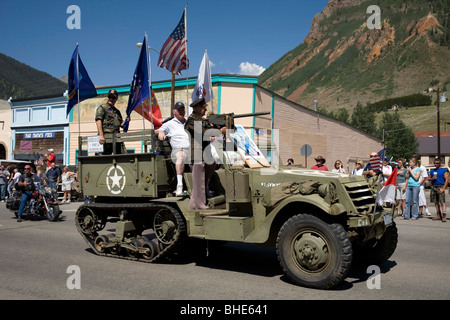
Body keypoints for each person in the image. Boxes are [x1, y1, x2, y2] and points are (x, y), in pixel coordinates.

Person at [185, 97, 226, 210]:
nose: (204, 110)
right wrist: (219, 132)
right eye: (203, 107)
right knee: (198, 182)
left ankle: (193, 206)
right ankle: (200, 205)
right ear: (196, 108)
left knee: (204, 176)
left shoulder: (201, 120)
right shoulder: (192, 120)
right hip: (197, 154)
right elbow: (203, 133)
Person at [155, 102, 190, 196]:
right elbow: (157, 130)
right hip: (178, 150)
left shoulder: (189, 123)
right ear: (174, 112)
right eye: (179, 110)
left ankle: (206, 187)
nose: (181, 111)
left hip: (191, 150)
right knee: (180, 155)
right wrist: (161, 132)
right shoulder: (170, 124)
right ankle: (180, 185)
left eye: (183, 109)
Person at [95, 89, 130, 155]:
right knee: (102, 159)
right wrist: (101, 136)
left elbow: (121, 125)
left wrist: (126, 121)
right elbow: (98, 121)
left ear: (116, 99)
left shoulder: (117, 111)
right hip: (106, 138)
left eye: (113, 97)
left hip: (116, 137)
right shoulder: (102, 108)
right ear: (107, 97)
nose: (111, 99)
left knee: (123, 157)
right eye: (109, 97)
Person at [428, 157, 450, 222]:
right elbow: (428, 178)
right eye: (434, 163)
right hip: (434, 187)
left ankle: (444, 216)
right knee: (436, 202)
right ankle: (438, 215)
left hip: (440, 186)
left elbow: (447, 180)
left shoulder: (444, 170)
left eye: (437, 163)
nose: (435, 164)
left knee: (442, 202)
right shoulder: (432, 171)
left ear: (440, 163)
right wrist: (432, 179)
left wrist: (443, 188)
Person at [402, 156, 422, 220]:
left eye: (410, 162)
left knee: (414, 201)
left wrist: (410, 171)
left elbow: (416, 178)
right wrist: (408, 172)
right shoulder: (410, 169)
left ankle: (414, 215)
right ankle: (406, 215)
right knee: (407, 201)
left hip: (415, 186)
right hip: (409, 185)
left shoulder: (418, 169)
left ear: (414, 163)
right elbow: (407, 177)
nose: (409, 163)